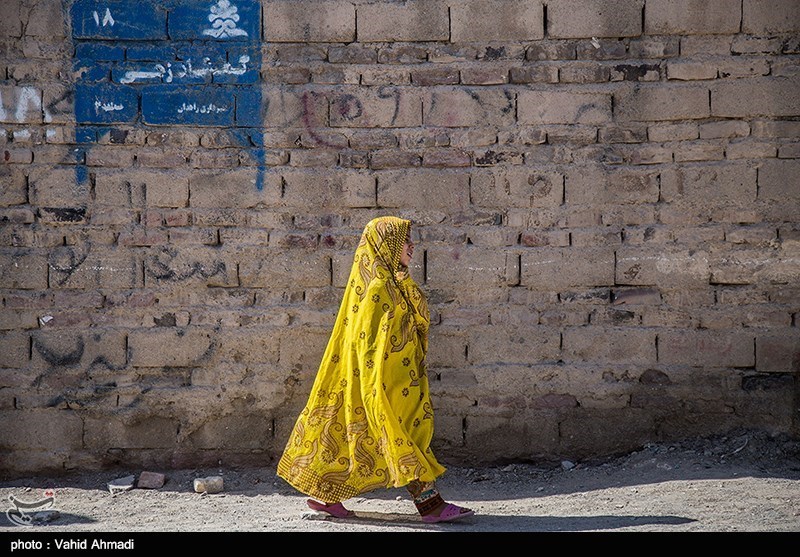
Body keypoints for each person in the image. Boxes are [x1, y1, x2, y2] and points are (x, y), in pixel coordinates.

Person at [276, 216, 474, 524]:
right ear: (386, 245)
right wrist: (376, 391)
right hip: (385, 384)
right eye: (404, 241)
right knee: (406, 437)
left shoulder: (395, 282)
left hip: (401, 379)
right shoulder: (379, 289)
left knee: (362, 437)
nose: (411, 246)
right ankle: (431, 506)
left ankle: (328, 497)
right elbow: (369, 345)